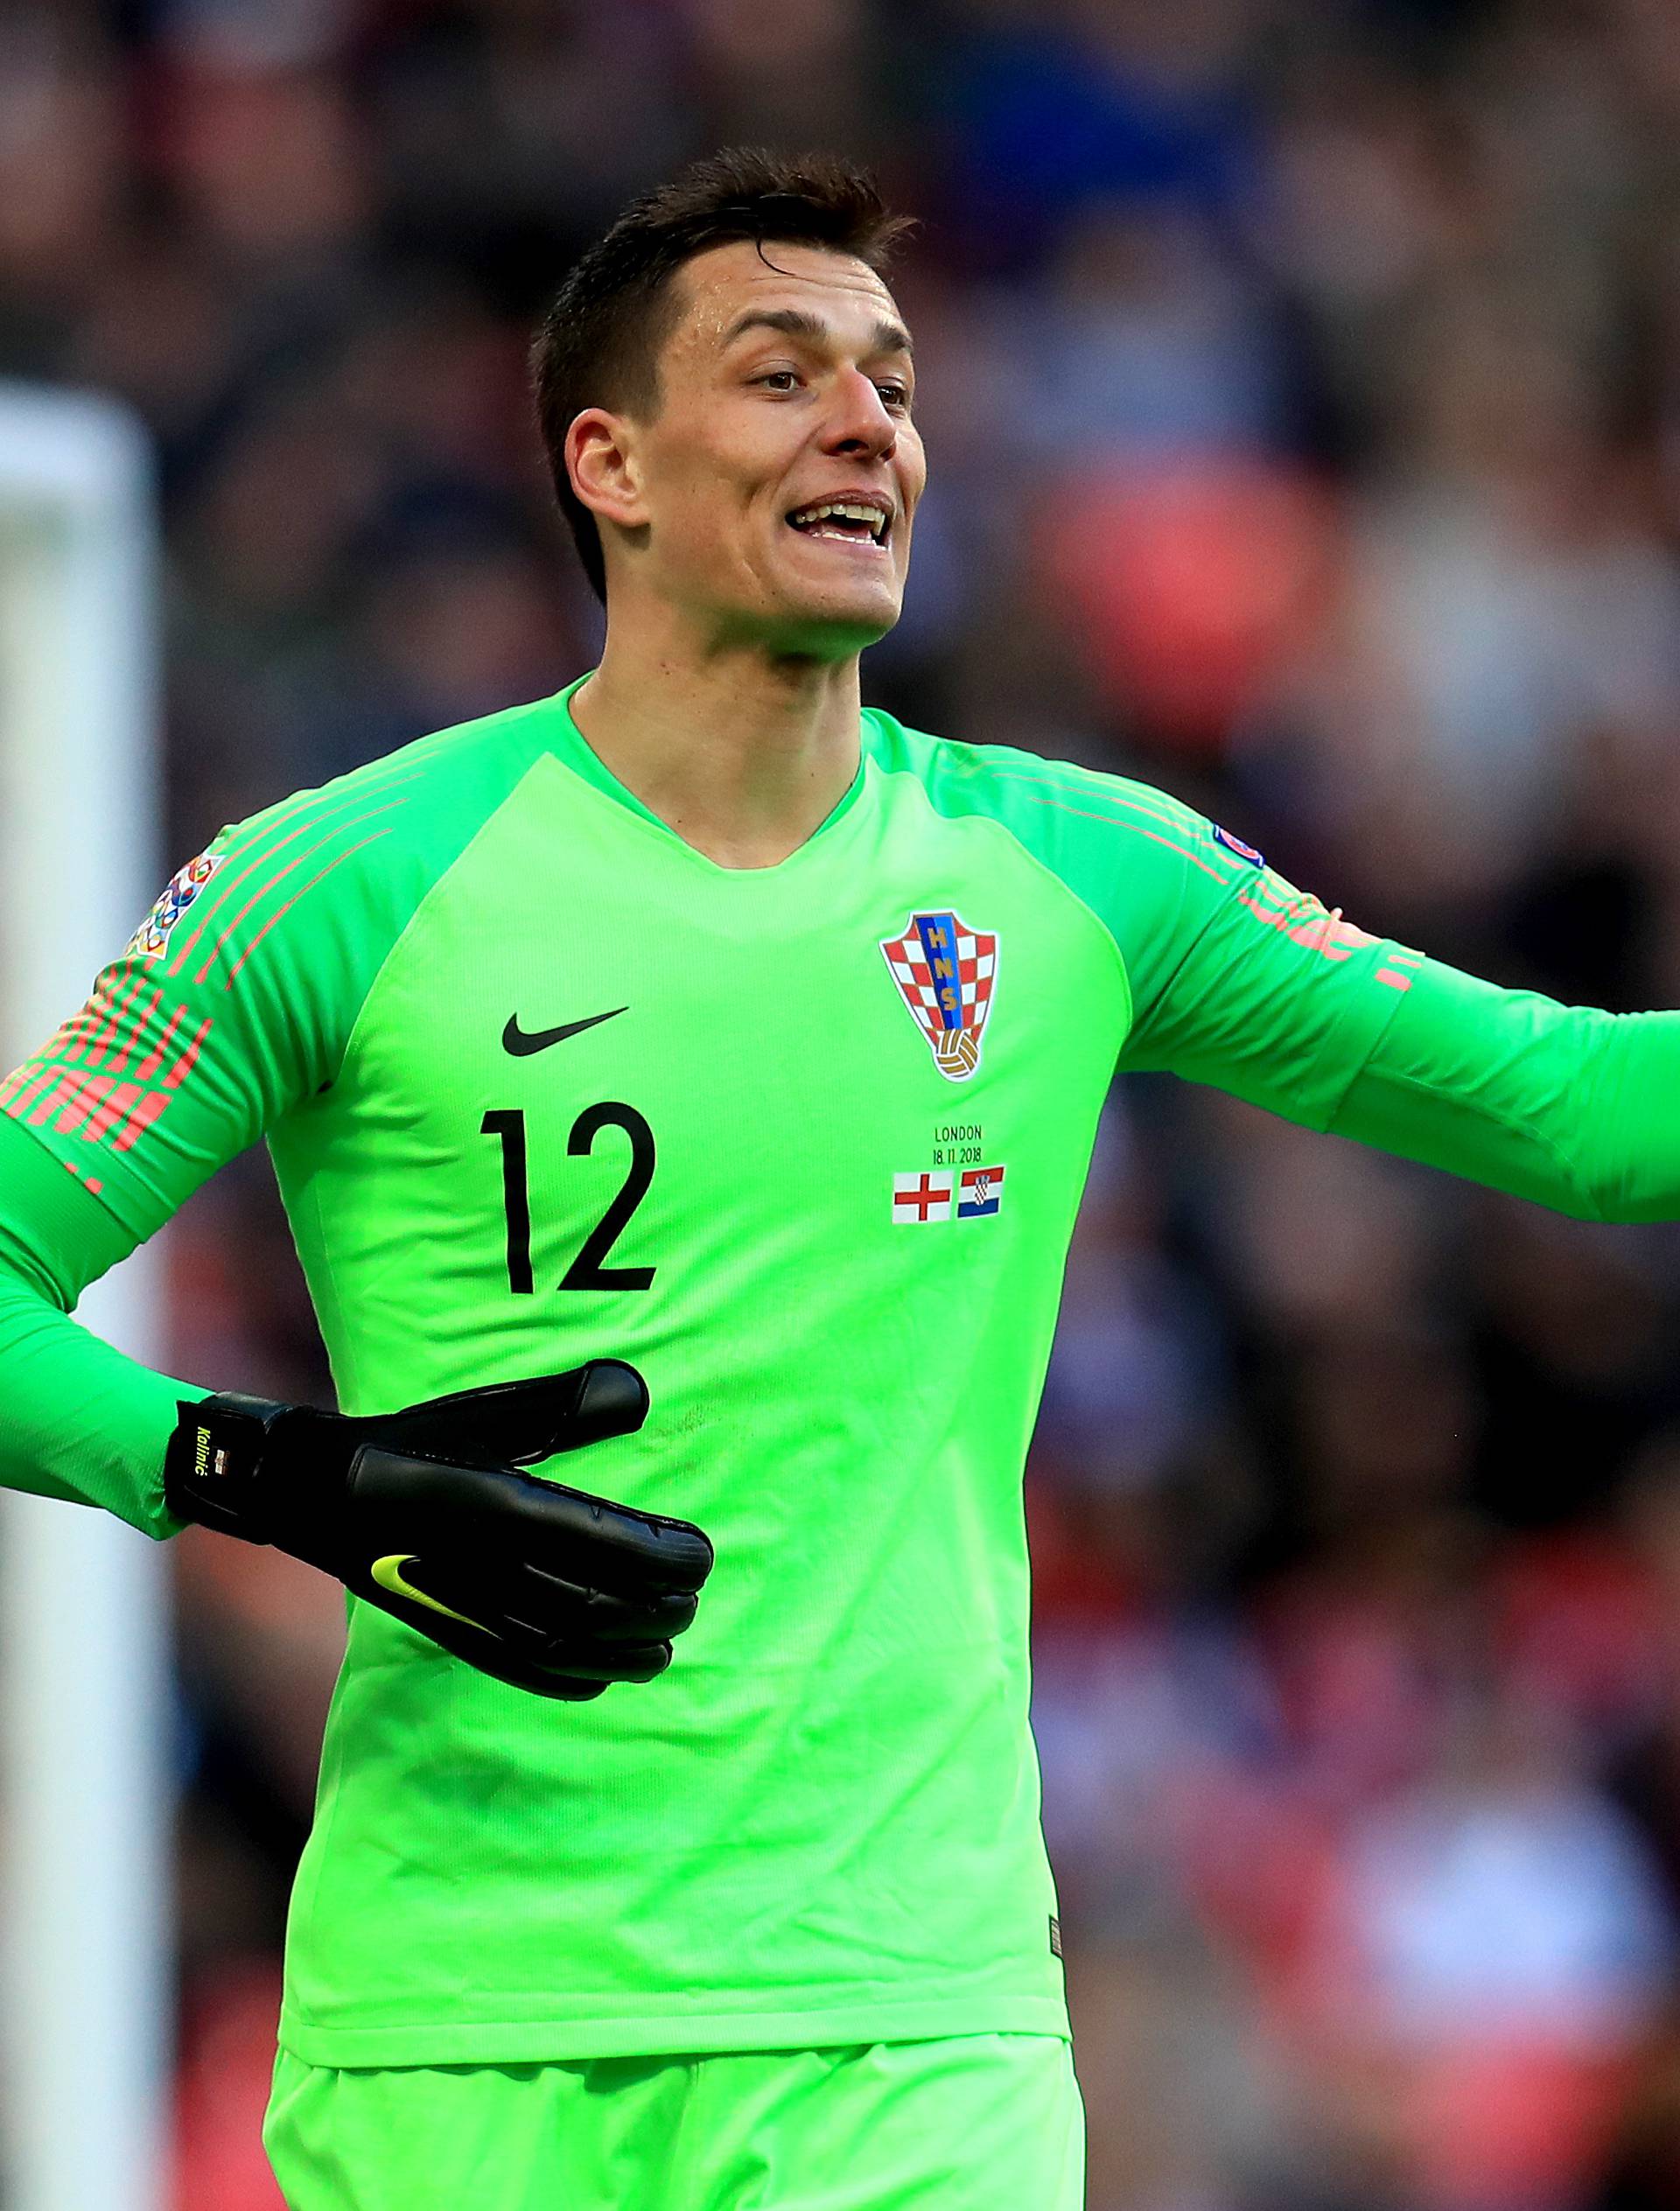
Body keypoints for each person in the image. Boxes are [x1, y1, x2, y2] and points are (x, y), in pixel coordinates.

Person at [2, 146, 1679, 2211]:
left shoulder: (1073, 873)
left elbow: (1593, 1113)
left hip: (914, 2027)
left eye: (893, 377)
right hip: (463, 2028)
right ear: (609, 461)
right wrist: (267, 1475)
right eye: (785, 372)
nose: (870, 419)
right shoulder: (340, 880)